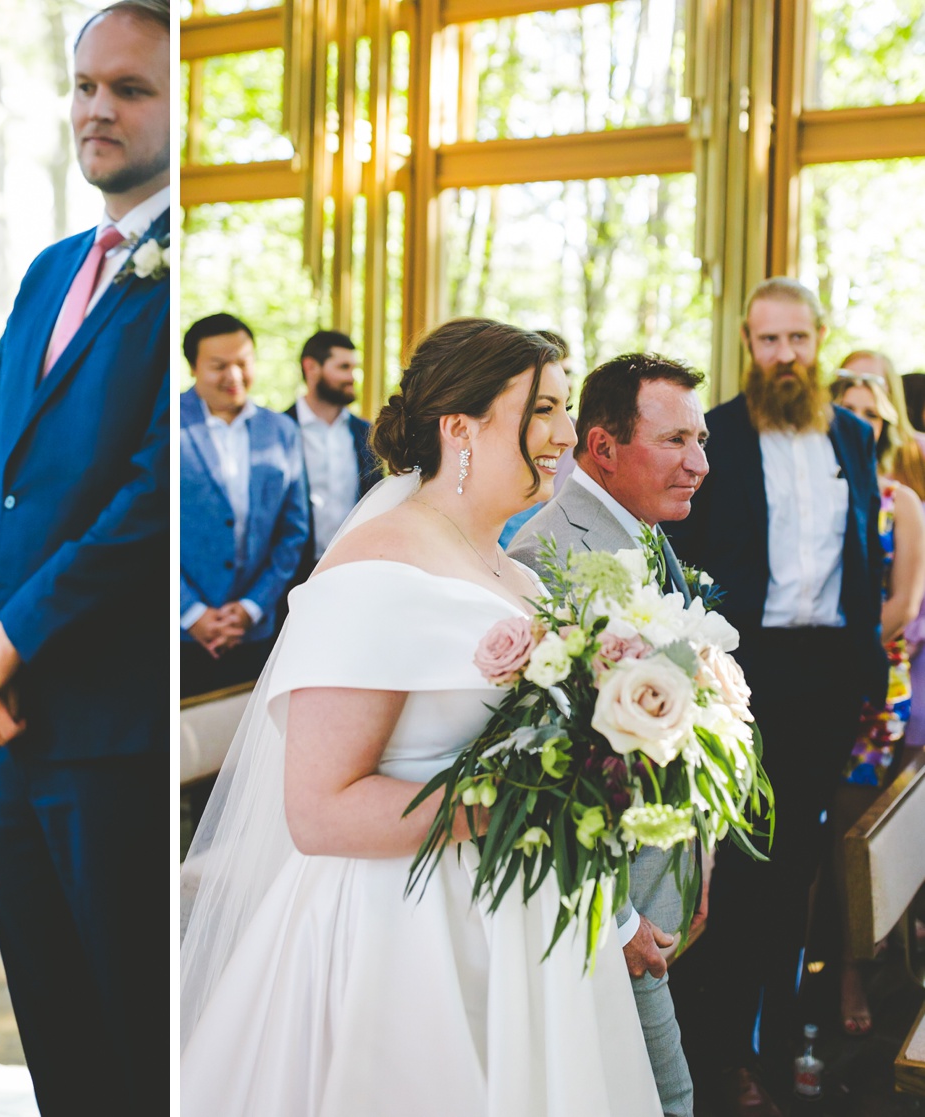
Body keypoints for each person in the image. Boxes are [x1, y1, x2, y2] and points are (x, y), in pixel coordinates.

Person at [181, 318, 663, 1116]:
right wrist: (518, 803)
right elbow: (318, 811)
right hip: (402, 938)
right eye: (543, 409)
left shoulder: (520, 575)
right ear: (460, 427)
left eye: (565, 407)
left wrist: (613, 913)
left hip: (528, 927)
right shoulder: (375, 564)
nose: (567, 432)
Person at [0, 3, 171, 1112]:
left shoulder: (190, 272)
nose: (97, 109)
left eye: (131, 89)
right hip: (6, 732)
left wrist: (13, 639)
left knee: (135, 1048)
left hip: (114, 731)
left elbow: (150, 497)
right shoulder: (48, 271)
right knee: (59, 1054)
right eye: (85, 86)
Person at [665, 277, 885, 1116]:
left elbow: (863, 554)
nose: (784, 356)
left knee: (798, 874)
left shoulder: (855, 436)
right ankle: (720, 1056)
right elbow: (683, 559)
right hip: (741, 677)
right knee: (738, 870)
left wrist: (866, 670)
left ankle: (784, 1033)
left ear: (819, 338)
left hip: (828, 679)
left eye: (798, 339)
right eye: (768, 341)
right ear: (747, 344)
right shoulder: (714, 432)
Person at [508, 352, 710, 1117]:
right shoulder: (548, 556)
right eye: (674, 441)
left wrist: (697, 858)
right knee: (664, 1099)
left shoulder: (647, 534)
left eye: (701, 440)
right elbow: (543, 778)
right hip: (601, 920)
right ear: (602, 447)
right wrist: (618, 920)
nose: (697, 463)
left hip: (657, 892)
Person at [825, 371, 925, 1035]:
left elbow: (904, 604)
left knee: (859, 840)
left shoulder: (901, 499)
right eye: (846, 410)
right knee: (813, 842)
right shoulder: (815, 494)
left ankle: (855, 969)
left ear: (885, 426)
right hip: (807, 687)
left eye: (872, 412)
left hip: (873, 688)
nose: (860, 421)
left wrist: (836, 653)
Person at [181, 313, 308, 697]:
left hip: (257, 630)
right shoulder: (164, 424)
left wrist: (252, 607)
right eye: (219, 366)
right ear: (193, 367)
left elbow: (294, 532)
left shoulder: (282, 431)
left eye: (242, 362)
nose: (233, 376)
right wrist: (191, 613)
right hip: (179, 637)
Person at [284, 329, 383, 578]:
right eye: (343, 367)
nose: (352, 377)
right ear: (311, 368)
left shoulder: (366, 433)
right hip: (291, 575)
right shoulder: (280, 429)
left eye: (354, 368)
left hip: (353, 569)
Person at [839, 349, 925, 497]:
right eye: (849, 380)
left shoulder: (918, 452)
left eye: (872, 381)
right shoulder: (821, 451)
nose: (860, 387)